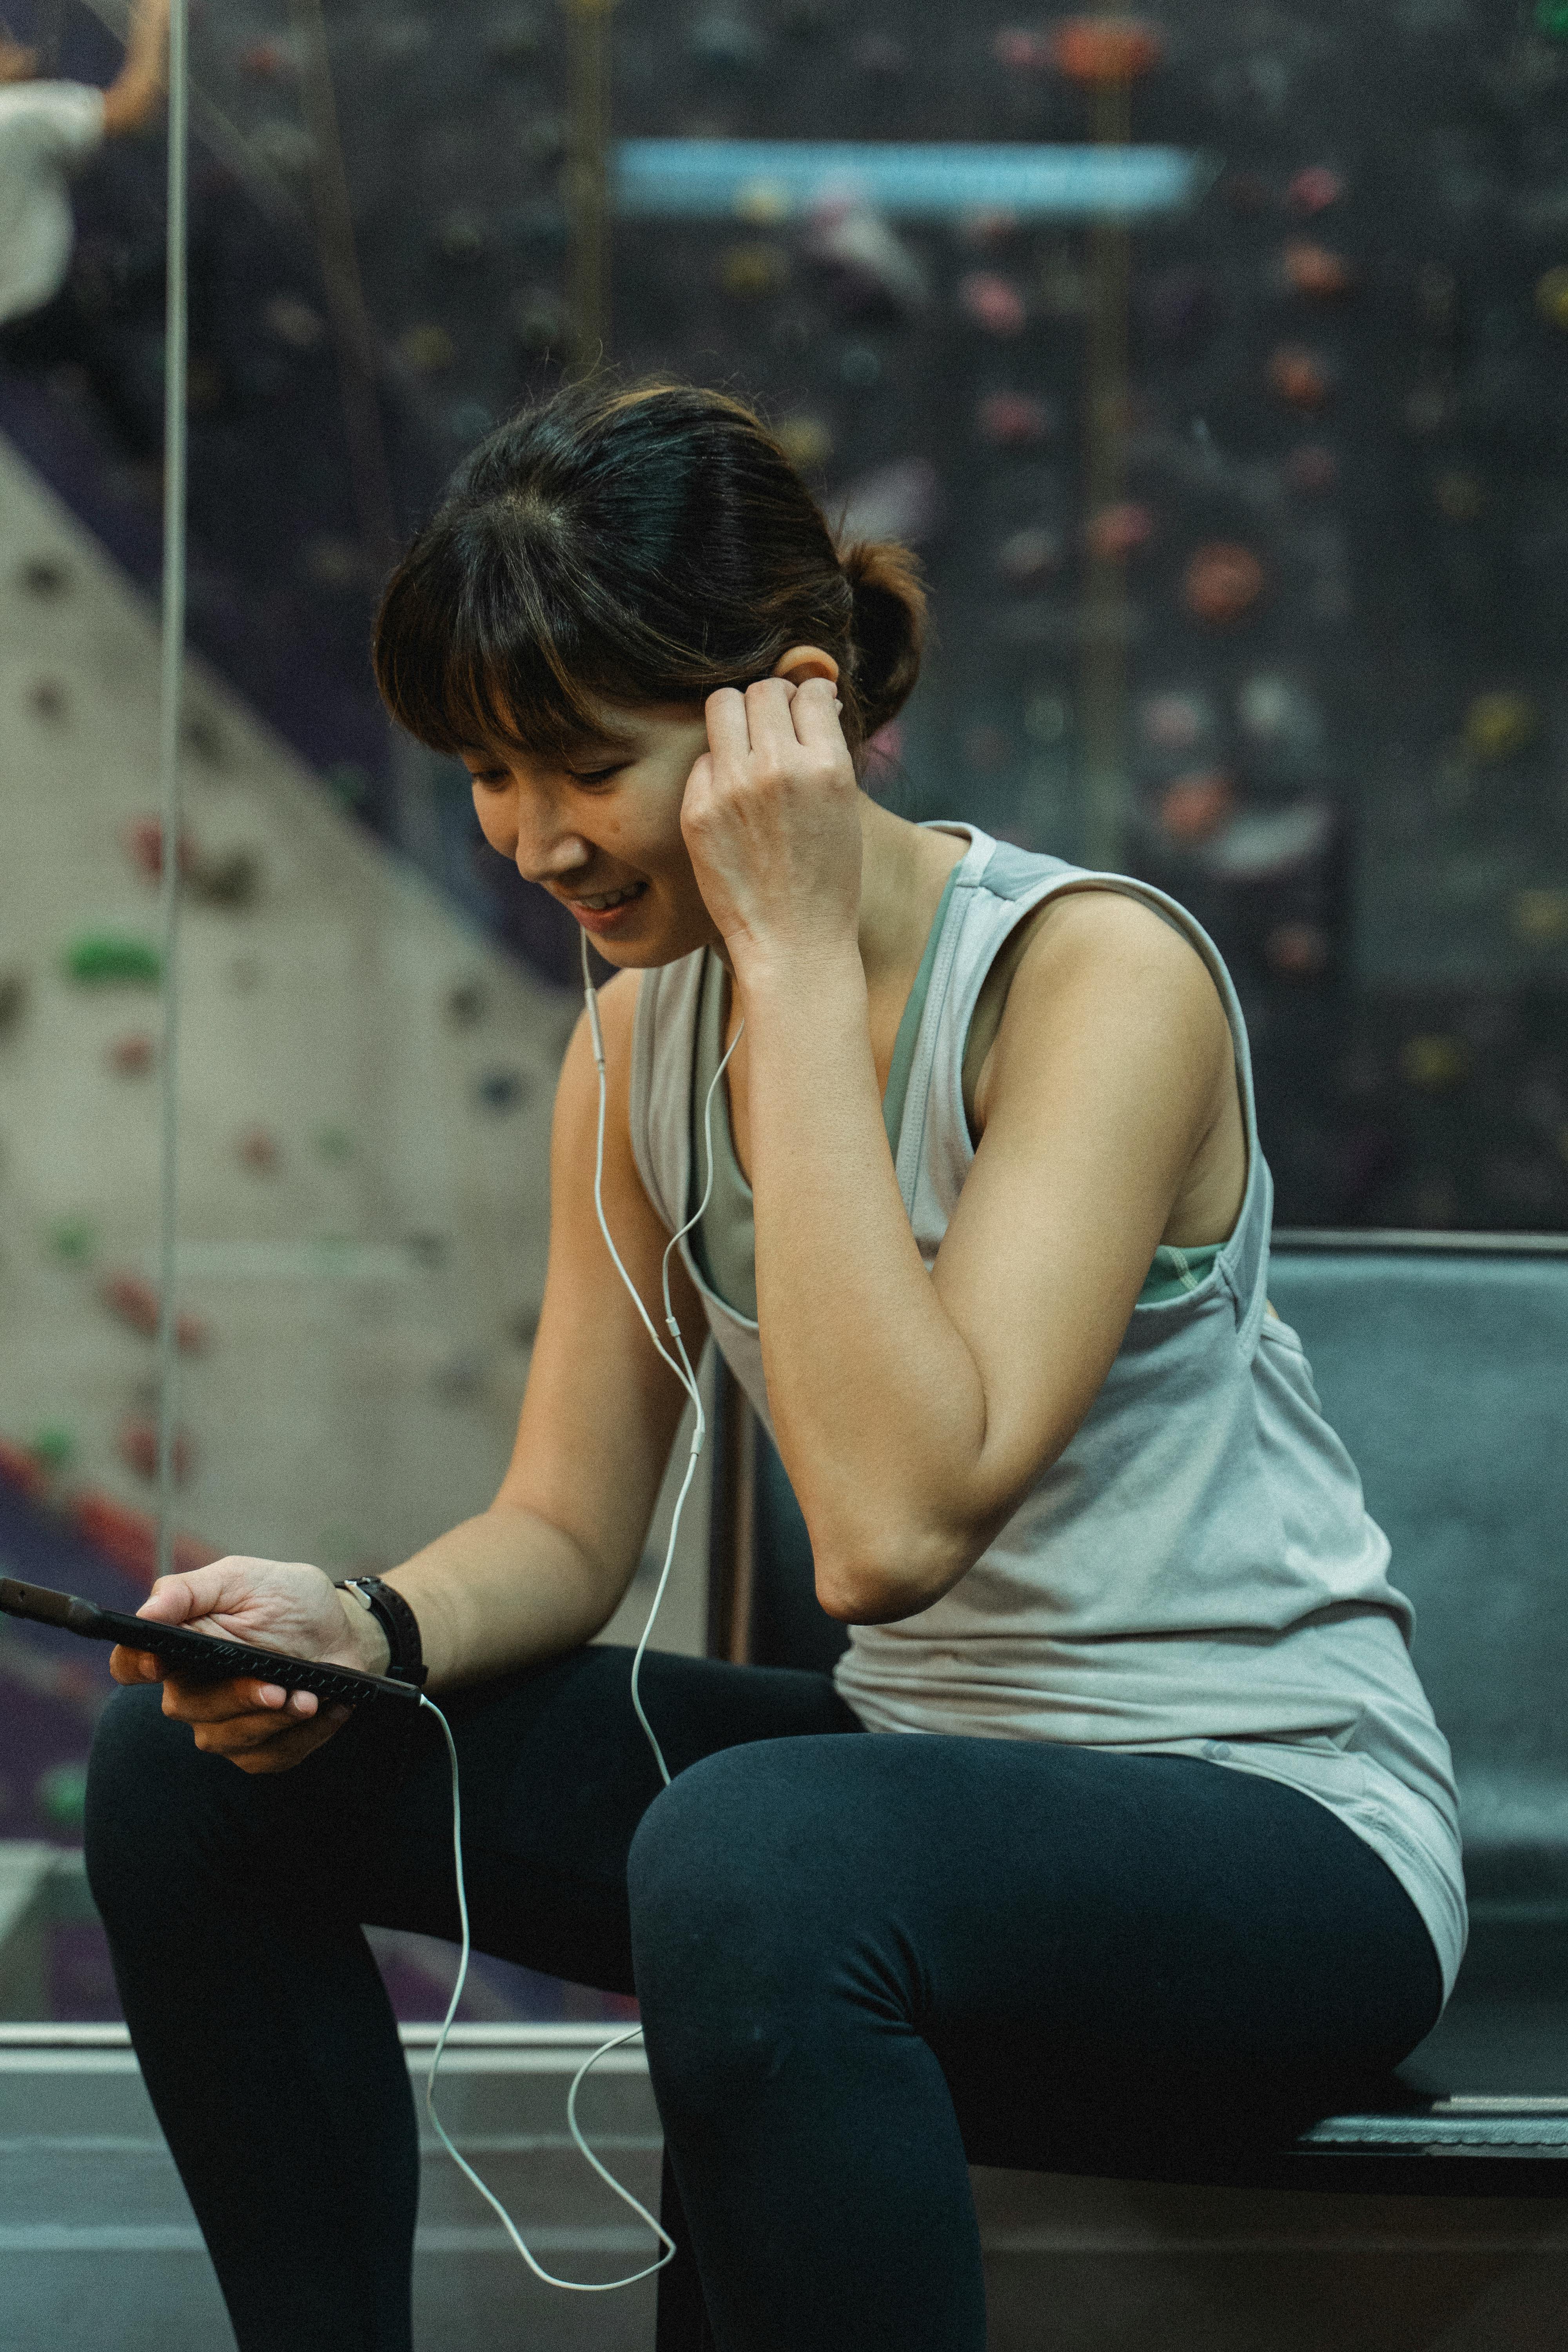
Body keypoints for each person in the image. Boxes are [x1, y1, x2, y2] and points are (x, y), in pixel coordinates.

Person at [85, 378, 1466, 2352]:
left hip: (1271, 1835)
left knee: (753, 1848)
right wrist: (361, 1627)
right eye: (484, 773)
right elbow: (567, 1524)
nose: (532, 838)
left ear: (784, 717)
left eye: (576, 763)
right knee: (195, 1762)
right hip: (908, 1801)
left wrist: (798, 960)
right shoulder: (635, 1039)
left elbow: (892, 1530)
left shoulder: (1091, 979)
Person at [0, 0, 169, 330]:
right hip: (44, 312)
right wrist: (155, 19)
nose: (15, 48)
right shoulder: (16, 116)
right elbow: (132, 109)